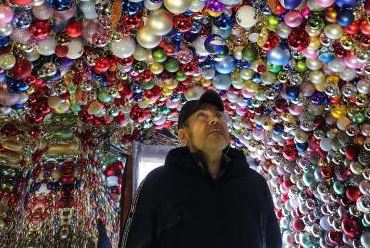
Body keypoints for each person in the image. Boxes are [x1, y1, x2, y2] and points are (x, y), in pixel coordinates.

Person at [120, 90, 282, 248]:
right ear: (183, 135)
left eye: (219, 115)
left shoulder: (255, 183)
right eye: (202, 116)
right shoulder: (158, 182)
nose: (215, 120)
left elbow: (273, 241)